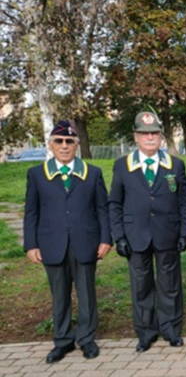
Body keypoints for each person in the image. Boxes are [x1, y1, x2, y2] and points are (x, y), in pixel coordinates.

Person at [23, 120, 112, 363]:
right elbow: (31, 212)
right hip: (51, 244)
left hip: (86, 243)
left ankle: (86, 339)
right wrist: (31, 244)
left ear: (77, 145)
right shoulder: (36, 174)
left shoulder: (92, 173)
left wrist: (106, 239)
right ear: (51, 145)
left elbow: (102, 209)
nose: (64, 146)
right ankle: (62, 340)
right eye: (59, 141)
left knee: (86, 294)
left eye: (69, 142)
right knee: (59, 295)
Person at [108, 111, 186, 352]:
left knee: (170, 285)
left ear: (161, 137)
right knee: (141, 286)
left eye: (154, 133)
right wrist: (119, 237)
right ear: (135, 136)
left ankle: (171, 329)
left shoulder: (175, 165)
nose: (150, 138)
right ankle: (146, 332)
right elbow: (114, 203)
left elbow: (185, 201)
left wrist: (184, 233)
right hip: (136, 237)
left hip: (168, 234)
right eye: (144, 134)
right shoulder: (122, 166)